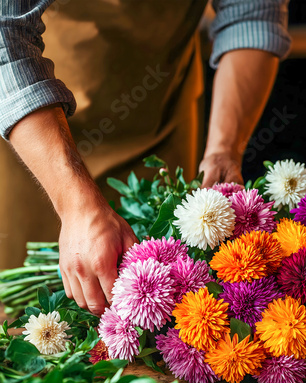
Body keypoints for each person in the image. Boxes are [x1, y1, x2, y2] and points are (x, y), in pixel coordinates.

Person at [0, 0, 291, 315]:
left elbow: (251, 13)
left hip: (159, 113)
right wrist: (75, 205)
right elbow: (6, 38)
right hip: (32, 129)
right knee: (23, 320)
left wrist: (225, 149)